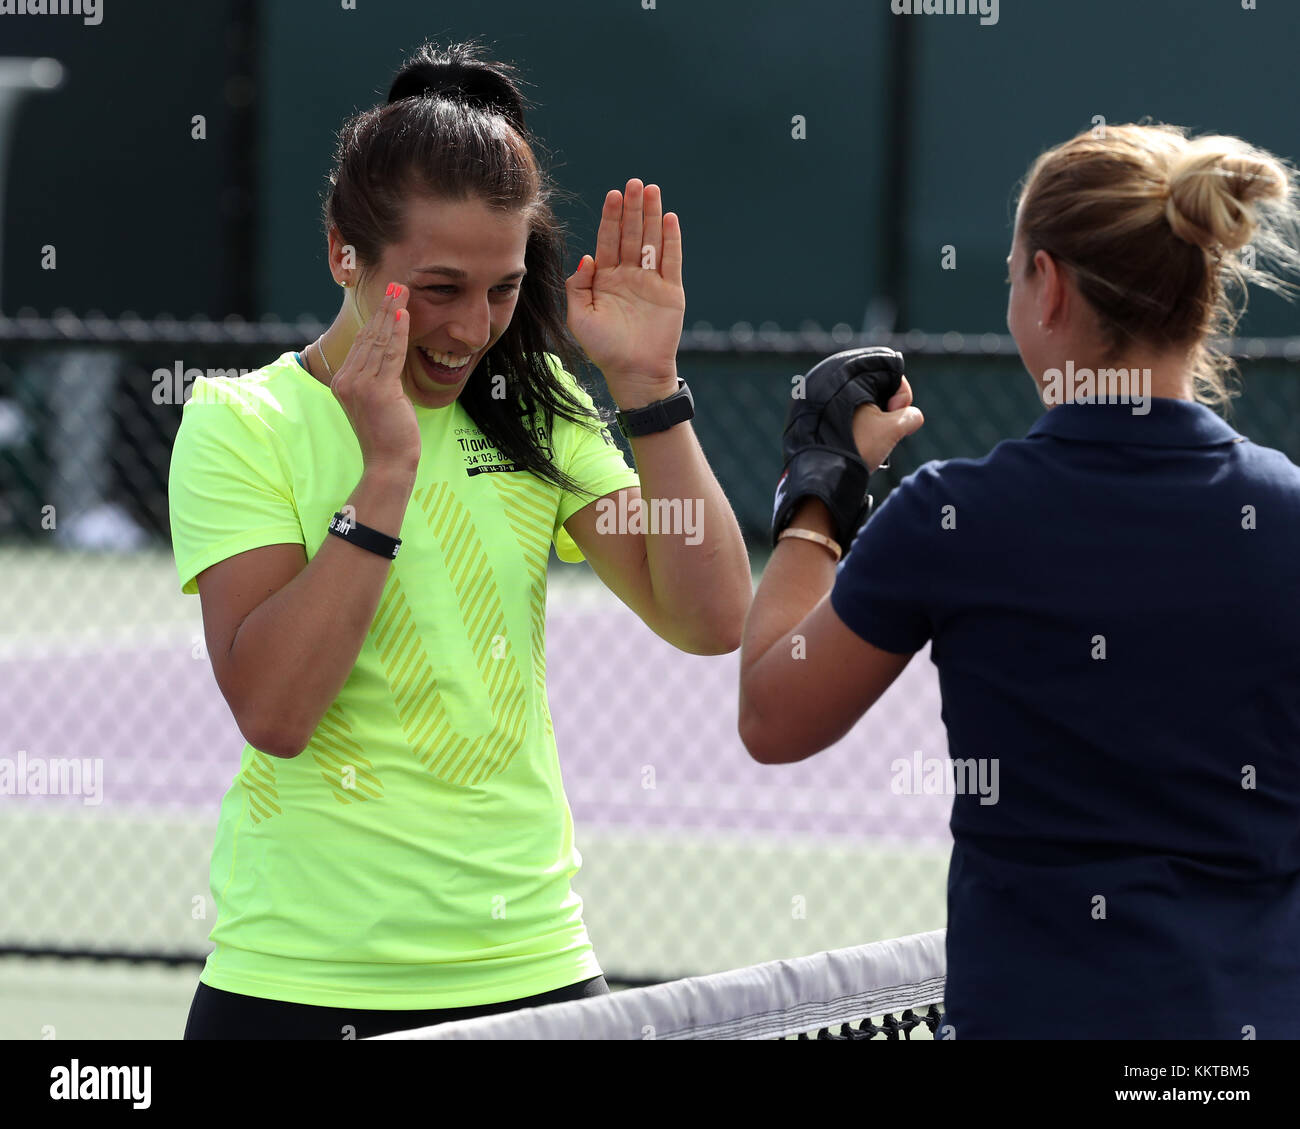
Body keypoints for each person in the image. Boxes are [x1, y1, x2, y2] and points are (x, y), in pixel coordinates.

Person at [169, 41, 750, 1040]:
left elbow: (710, 619)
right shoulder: (242, 421)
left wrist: (650, 389)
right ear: (342, 253)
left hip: (534, 966)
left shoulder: (536, 407)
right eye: (438, 288)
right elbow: (275, 709)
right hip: (304, 984)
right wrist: (385, 474)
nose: (473, 326)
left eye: (502, 287)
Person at [739, 123, 1300, 1038]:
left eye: (1011, 273)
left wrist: (819, 489)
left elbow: (772, 711)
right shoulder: (1286, 514)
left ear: (1049, 286)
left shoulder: (953, 517)